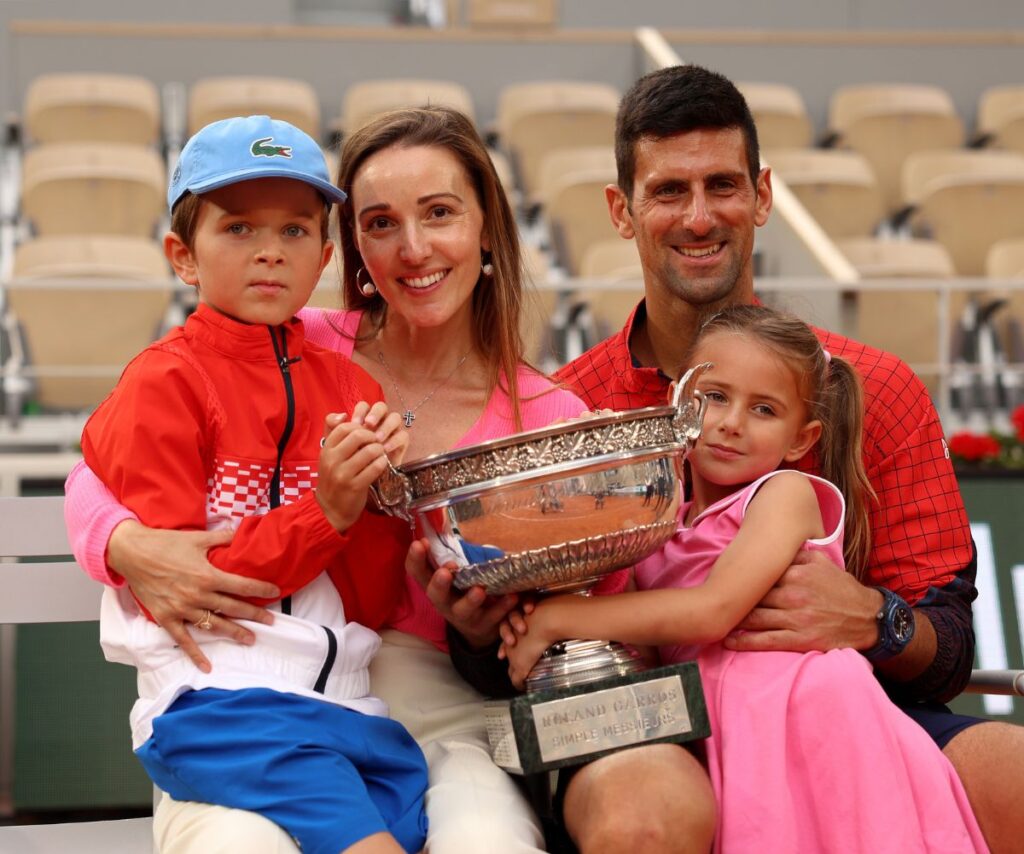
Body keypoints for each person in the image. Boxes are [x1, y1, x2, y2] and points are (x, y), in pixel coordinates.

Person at [525, 63, 1024, 853]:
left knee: (1016, 772)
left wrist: (873, 619)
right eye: (667, 192)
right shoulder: (566, 408)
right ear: (621, 211)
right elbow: (514, 651)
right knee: (644, 815)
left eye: (722, 185)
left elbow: (949, 650)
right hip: (647, 726)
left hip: (832, 708)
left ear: (762, 196)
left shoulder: (875, 387)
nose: (699, 218)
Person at [63, 106, 587, 853]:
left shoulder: (546, 413)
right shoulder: (285, 332)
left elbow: (562, 620)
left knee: (486, 842)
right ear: (353, 249)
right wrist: (123, 542)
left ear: (487, 230)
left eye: (439, 213)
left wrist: (478, 630)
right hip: (242, 690)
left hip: (421, 704)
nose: (412, 248)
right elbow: (107, 460)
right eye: (379, 223)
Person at [500, 304, 988, 852]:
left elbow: (713, 611)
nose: (731, 422)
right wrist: (542, 635)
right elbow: (644, 641)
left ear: (801, 440)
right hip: (727, 729)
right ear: (678, 405)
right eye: (714, 398)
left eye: (763, 409)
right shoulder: (662, 524)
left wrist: (560, 619)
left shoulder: (785, 496)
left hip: (811, 722)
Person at [77, 114, 429, 853]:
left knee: (414, 818)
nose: (270, 251)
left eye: (296, 231)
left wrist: (379, 501)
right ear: (183, 255)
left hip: (351, 708)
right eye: (238, 228)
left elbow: (371, 595)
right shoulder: (161, 382)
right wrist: (327, 509)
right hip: (221, 708)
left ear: (326, 254)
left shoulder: (347, 384)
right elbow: (193, 591)